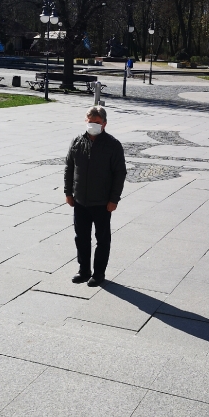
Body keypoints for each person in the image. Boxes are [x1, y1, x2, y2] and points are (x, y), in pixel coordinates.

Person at [64, 106, 126, 287]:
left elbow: (120, 173)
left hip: (102, 202)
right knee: (81, 237)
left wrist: (114, 199)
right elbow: (69, 168)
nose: (93, 125)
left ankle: (99, 273)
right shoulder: (77, 141)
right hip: (80, 201)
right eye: (90, 122)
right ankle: (84, 270)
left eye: (97, 122)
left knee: (102, 239)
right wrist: (68, 192)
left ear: (104, 124)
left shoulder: (113, 145)